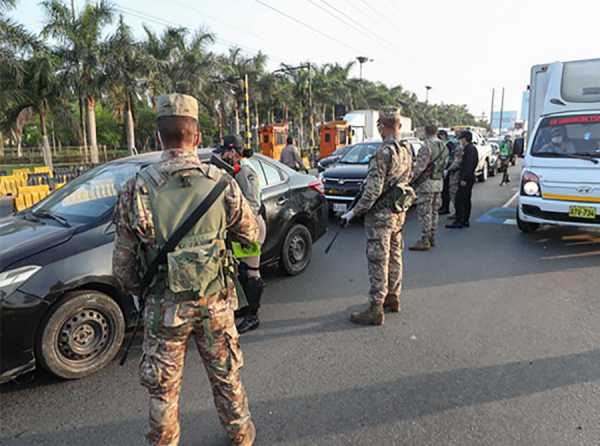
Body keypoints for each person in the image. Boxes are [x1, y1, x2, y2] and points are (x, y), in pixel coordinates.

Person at [113, 93, 258, 446]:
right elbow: (251, 236)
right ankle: (241, 436)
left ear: (158, 136)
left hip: (164, 306)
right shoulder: (222, 182)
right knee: (226, 377)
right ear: (196, 136)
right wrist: (223, 256)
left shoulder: (137, 187)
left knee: (163, 389)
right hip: (215, 302)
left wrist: (140, 291)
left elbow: (123, 266)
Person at [339, 106, 413, 325]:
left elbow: (371, 192)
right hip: (398, 213)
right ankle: (393, 298)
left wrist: (352, 213)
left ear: (382, 126)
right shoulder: (406, 150)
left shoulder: (382, 153)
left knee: (378, 260)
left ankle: (375, 308)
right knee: (395, 256)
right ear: (398, 125)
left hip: (380, 217)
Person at [220, 134, 266, 334]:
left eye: (225, 151)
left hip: (250, 229)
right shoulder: (232, 172)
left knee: (251, 273)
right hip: (238, 231)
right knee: (241, 271)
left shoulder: (246, 173)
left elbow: (253, 206)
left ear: (233, 152)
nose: (222, 155)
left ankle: (253, 316)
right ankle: (245, 308)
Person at [409, 124, 448, 251]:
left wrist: (410, 179)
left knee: (425, 212)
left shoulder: (426, 147)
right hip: (438, 182)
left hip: (426, 184)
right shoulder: (443, 146)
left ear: (426, 132)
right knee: (434, 211)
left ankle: (425, 239)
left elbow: (420, 168)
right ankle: (432, 237)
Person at [446, 130, 478, 229]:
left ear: (465, 139)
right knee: (465, 200)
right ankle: (464, 220)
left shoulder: (469, 149)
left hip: (466, 179)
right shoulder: (470, 148)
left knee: (460, 200)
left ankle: (459, 221)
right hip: (467, 177)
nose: (460, 141)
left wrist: (464, 178)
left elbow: (469, 165)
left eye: (461, 139)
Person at [446, 130, 465, 219]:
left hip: (456, 173)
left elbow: (457, 161)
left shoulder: (460, 148)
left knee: (454, 193)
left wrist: (448, 169)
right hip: (457, 173)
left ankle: (458, 214)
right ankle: (458, 213)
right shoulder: (459, 146)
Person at [437, 129, 456, 215]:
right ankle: (444, 206)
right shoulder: (443, 144)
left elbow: (450, 158)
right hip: (443, 169)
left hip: (447, 170)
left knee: (446, 190)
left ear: (443, 136)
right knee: (443, 190)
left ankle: (446, 208)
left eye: (439, 136)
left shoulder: (449, 145)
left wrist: (446, 169)